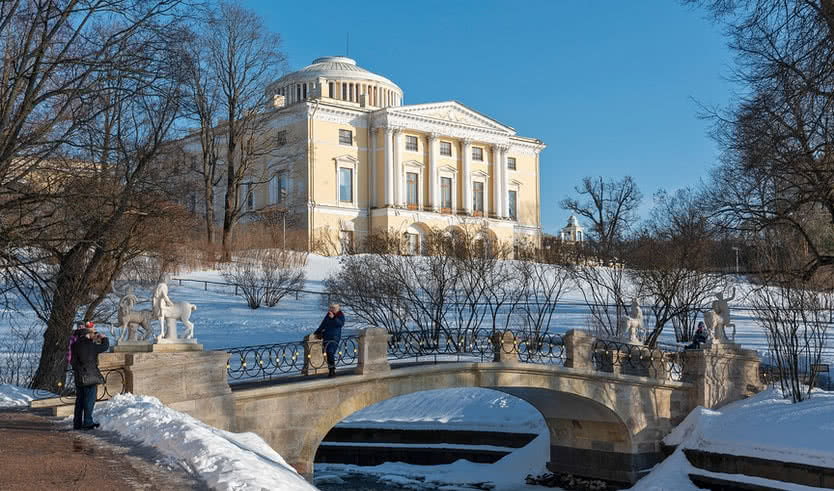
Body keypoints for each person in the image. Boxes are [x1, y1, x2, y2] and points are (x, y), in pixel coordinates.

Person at [70, 321, 109, 430]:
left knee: (79, 400)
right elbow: (104, 347)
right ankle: (87, 422)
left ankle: (77, 423)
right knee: (89, 400)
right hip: (90, 376)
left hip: (78, 376)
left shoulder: (74, 346)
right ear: (87, 334)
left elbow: (72, 361)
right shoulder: (91, 345)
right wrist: (104, 338)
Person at [314, 304, 345, 377]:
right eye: (331, 307)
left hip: (334, 337)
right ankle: (330, 369)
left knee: (330, 352)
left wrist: (334, 318)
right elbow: (323, 324)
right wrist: (318, 331)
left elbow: (341, 324)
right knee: (327, 353)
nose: (331, 309)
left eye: (333, 308)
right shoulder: (328, 314)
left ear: (337, 308)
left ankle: (332, 370)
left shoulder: (340, 314)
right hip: (326, 336)